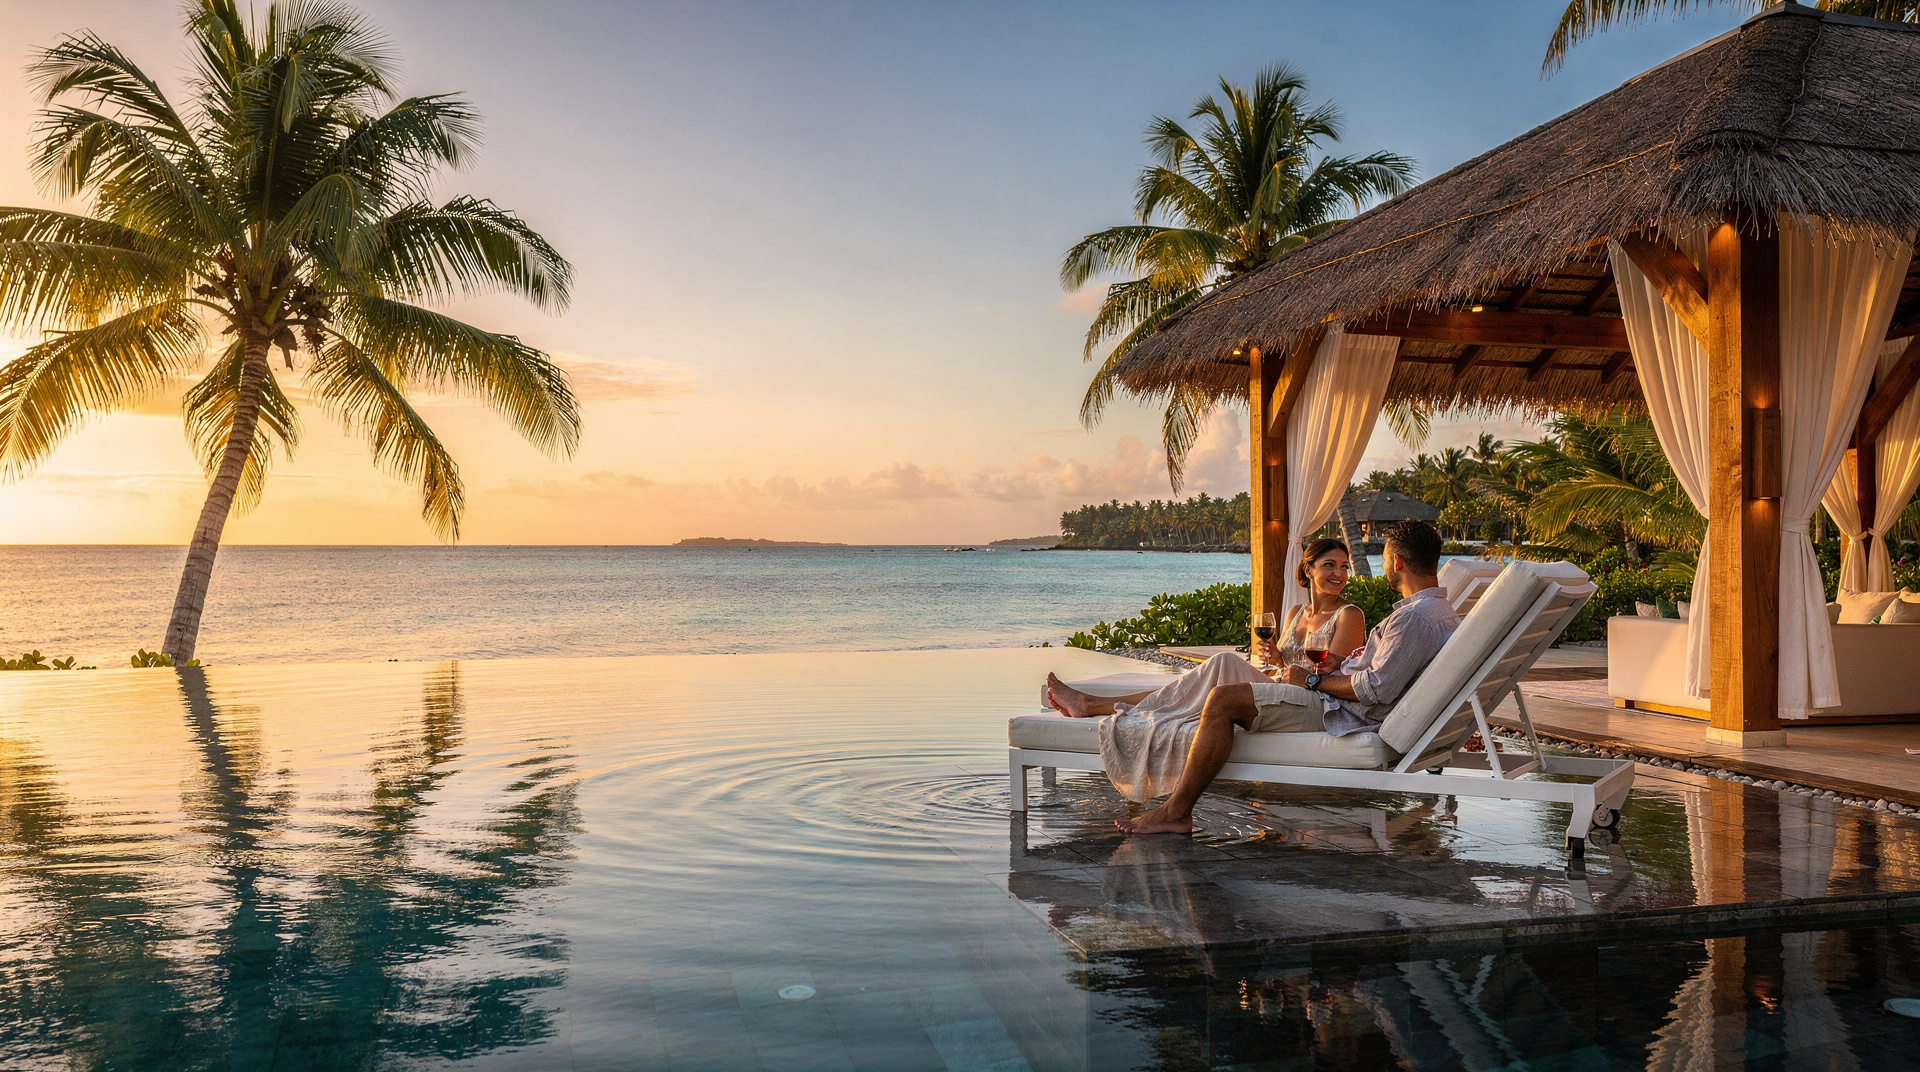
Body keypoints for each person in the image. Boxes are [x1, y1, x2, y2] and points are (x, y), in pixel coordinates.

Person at [1101, 520, 1458, 835]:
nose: (1379, 567)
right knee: (1222, 675)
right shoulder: (1440, 613)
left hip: (1336, 711)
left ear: (1397, 562)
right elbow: (1380, 676)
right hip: (1336, 700)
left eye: (1382, 560)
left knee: (1223, 699)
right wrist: (1339, 664)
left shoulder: (1413, 617)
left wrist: (1312, 680)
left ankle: (1175, 812)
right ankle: (1139, 717)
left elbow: (1375, 689)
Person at [1044, 537, 1364, 721]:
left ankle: (1090, 705)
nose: (1339, 573)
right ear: (1308, 570)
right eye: (1329, 565)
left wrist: (1287, 668)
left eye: (1344, 567)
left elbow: (1334, 680)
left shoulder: (1349, 616)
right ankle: (1091, 704)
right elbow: (1285, 665)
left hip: (1311, 705)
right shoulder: (1297, 612)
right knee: (1202, 679)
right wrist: (1277, 657)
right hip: (1278, 687)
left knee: (1221, 665)